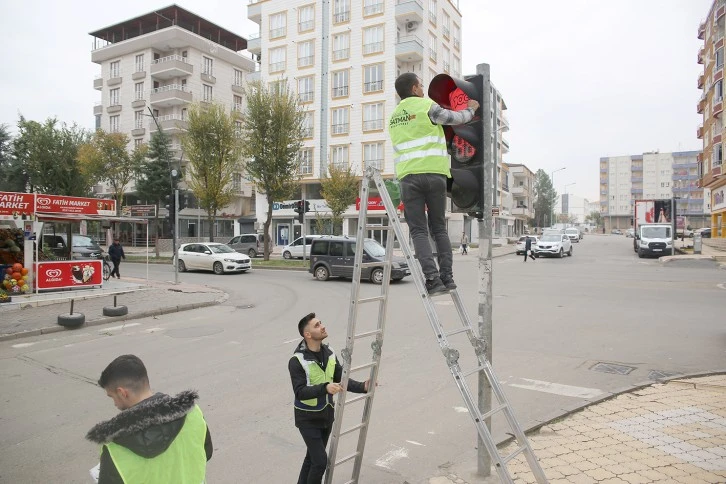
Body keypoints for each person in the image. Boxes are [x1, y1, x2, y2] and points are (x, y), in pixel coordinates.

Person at [389, 73, 480, 294]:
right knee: (438, 227)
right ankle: (447, 277)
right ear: (413, 89)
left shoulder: (393, 117)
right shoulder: (425, 106)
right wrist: (471, 108)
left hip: (408, 178)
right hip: (435, 175)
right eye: (420, 85)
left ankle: (432, 279)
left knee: (418, 231)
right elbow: (455, 119)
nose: (423, 88)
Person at [86, 355, 213, 484]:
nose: (114, 403)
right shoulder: (192, 413)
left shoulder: (114, 448)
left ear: (122, 392)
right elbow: (206, 453)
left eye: (112, 396)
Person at [289, 313, 370, 484]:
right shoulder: (297, 361)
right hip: (307, 419)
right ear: (308, 335)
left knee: (311, 459)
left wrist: (363, 386)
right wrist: (325, 387)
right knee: (320, 463)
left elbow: (342, 378)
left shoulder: (330, 353)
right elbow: (300, 392)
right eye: (317, 325)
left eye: (321, 323)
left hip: (326, 417)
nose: (323, 326)